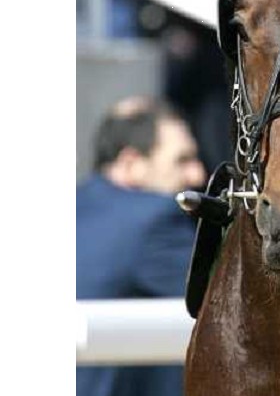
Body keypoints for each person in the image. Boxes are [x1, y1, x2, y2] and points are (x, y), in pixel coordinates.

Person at [77, 97, 205, 396]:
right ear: (131, 164)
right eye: (182, 160)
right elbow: (233, 302)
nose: (198, 175)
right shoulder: (155, 219)